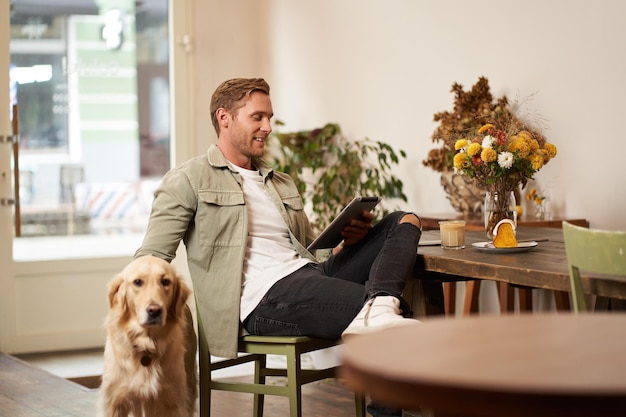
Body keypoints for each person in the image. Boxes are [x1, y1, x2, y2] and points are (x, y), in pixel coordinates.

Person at [135, 78, 422, 417]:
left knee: (404, 220)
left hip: (306, 275)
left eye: (269, 117)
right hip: (261, 298)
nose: (268, 127)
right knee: (387, 320)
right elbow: (149, 260)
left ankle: (382, 303)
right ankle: (381, 311)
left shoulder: (280, 181)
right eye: (257, 117)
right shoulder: (189, 179)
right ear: (224, 117)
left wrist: (349, 242)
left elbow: (312, 253)